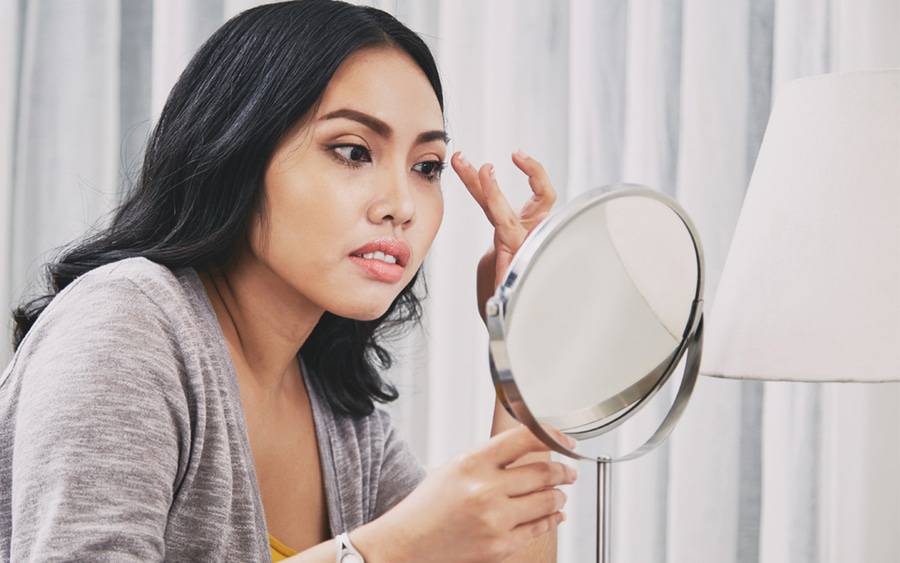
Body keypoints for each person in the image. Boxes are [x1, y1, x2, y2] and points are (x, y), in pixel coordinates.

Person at [0, 1, 577, 561]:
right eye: (353, 151)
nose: (401, 206)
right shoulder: (123, 327)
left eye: (425, 168)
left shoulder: (345, 421)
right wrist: (386, 549)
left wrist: (519, 341)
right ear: (237, 152)